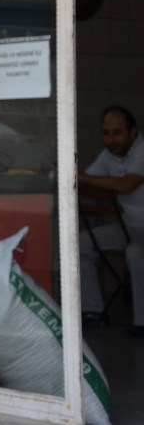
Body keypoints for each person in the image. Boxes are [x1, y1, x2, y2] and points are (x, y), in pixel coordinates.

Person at [78, 105, 144, 337]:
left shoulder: (142, 150)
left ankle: (141, 322)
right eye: (105, 133)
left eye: (117, 133)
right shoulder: (109, 155)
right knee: (81, 244)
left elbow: (127, 185)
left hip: (140, 230)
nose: (110, 139)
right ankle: (93, 311)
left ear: (133, 132)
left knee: (135, 252)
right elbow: (85, 181)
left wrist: (81, 177)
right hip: (129, 226)